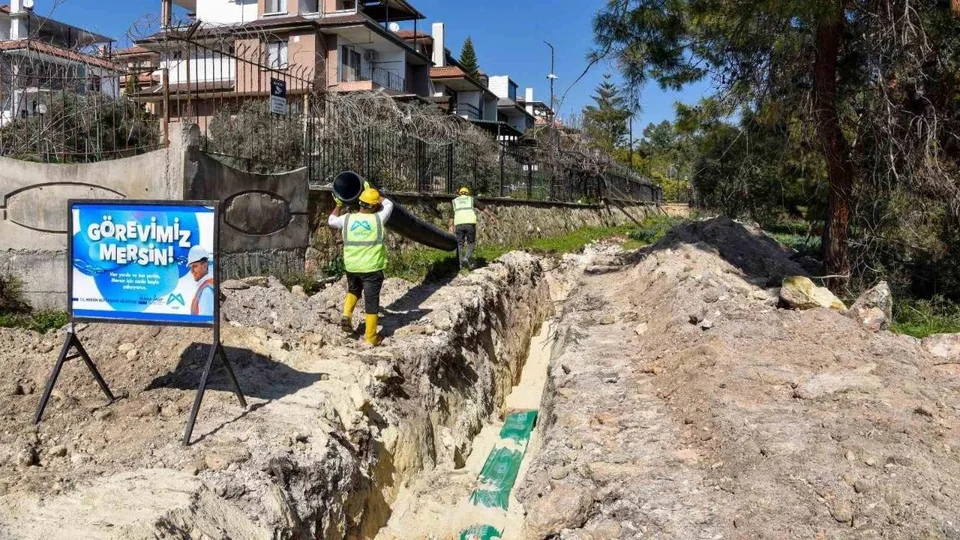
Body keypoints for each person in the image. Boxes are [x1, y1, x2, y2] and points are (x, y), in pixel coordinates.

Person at [328, 187, 394, 346]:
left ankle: (346, 314)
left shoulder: (347, 219)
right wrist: (375, 191)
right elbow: (389, 204)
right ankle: (371, 337)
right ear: (374, 206)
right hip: (371, 268)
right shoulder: (379, 219)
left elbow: (331, 220)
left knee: (354, 291)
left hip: (352, 267)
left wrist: (339, 204)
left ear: (360, 203)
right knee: (371, 301)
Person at [449, 187, 496, 269]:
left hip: (459, 224)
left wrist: (450, 227)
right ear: (467, 193)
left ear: (460, 193)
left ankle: (460, 265)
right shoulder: (471, 199)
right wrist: (491, 216)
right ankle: (466, 258)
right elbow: (482, 207)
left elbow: (451, 216)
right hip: (470, 224)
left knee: (459, 244)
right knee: (471, 243)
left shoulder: (454, 201)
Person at [187, 245, 215, 317]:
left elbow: (205, 322)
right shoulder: (205, 287)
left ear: (205, 266)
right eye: (191, 267)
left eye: (195, 266)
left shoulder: (206, 292)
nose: (192, 271)